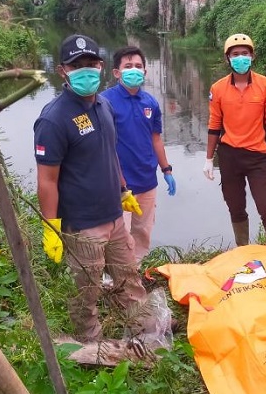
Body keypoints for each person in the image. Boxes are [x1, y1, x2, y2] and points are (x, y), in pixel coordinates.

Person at [34, 34, 149, 343]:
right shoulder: (54, 119)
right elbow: (47, 180)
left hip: (114, 216)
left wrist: (123, 189)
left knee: (129, 277)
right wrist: (50, 227)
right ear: (62, 71)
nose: (85, 70)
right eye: (77, 65)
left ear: (101, 66)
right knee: (87, 290)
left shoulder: (104, 105)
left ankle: (145, 326)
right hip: (83, 225)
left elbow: (110, 152)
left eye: (91, 63)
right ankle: (91, 343)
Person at [203, 33, 266, 248]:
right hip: (229, 155)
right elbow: (214, 124)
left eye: (245, 53)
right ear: (227, 59)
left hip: (257, 155)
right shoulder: (218, 88)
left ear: (252, 56)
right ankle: (243, 250)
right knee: (236, 207)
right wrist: (209, 159)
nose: (241, 58)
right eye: (235, 54)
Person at [101, 46, 176, 264]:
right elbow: (101, 145)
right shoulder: (104, 102)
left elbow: (156, 139)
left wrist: (166, 169)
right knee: (118, 235)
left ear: (145, 71)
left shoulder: (150, 103)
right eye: (128, 66)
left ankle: (136, 269)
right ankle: (115, 275)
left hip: (147, 179)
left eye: (138, 66)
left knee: (142, 231)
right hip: (118, 184)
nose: (134, 70)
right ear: (117, 72)